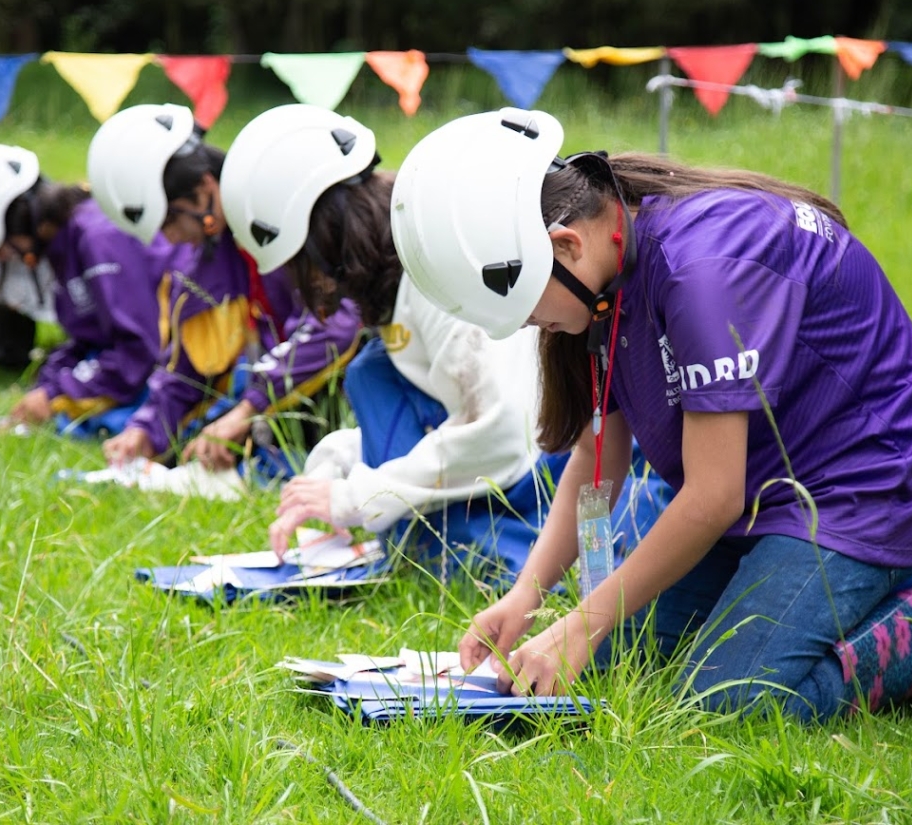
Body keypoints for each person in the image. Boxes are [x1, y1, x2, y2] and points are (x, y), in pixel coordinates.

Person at [389, 107, 912, 722]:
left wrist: (583, 619)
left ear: (564, 245)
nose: (532, 326)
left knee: (727, 699)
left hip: (862, 491)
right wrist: (530, 595)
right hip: (764, 496)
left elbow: (714, 495)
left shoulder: (701, 274)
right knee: (618, 654)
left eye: (529, 309)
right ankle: (805, 605)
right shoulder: (605, 277)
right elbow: (594, 457)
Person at [217, 103, 669, 585]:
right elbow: (431, 414)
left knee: (430, 548)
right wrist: (339, 464)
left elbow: (498, 434)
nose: (308, 287)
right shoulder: (391, 286)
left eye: (300, 267)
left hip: (544, 467)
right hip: (515, 465)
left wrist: (358, 497)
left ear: (322, 241)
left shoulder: (436, 275)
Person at [86, 103, 361, 479]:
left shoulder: (295, 226)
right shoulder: (197, 266)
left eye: (170, 219)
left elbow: (336, 327)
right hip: (281, 401)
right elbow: (184, 369)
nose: (168, 238)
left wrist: (248, 409)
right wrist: (145, 430)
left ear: (205, 189)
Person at [0, 142, 176, 436]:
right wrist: (49, 387)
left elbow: (139, 349)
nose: (3, 260)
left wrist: (58, 395)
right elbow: (88, 338)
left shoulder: (98, 239)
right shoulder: (65, 245)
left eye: (2, 251)